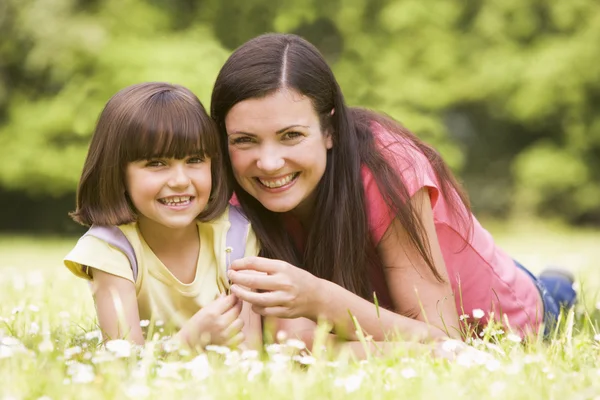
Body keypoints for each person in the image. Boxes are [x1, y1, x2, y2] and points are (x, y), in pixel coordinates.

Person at [209, 33, 576, 352]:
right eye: (245, 140)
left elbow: (446, 340)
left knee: (555, 299)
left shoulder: (386, 167)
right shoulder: (231, 199)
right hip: (385, 329)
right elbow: (290, 345)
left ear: (330, 129)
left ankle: (558, 287)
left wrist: (319, 300)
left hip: (508, 318)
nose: (269, 163)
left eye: (291, 135)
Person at [63, 82, 261, 349]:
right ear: (117, 173)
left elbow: (250, 352)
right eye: (156, 163)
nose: (180, 180)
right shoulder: (111, 250)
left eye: (194, 160)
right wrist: (188, 342)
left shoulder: (235, 235)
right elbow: (123, 360)